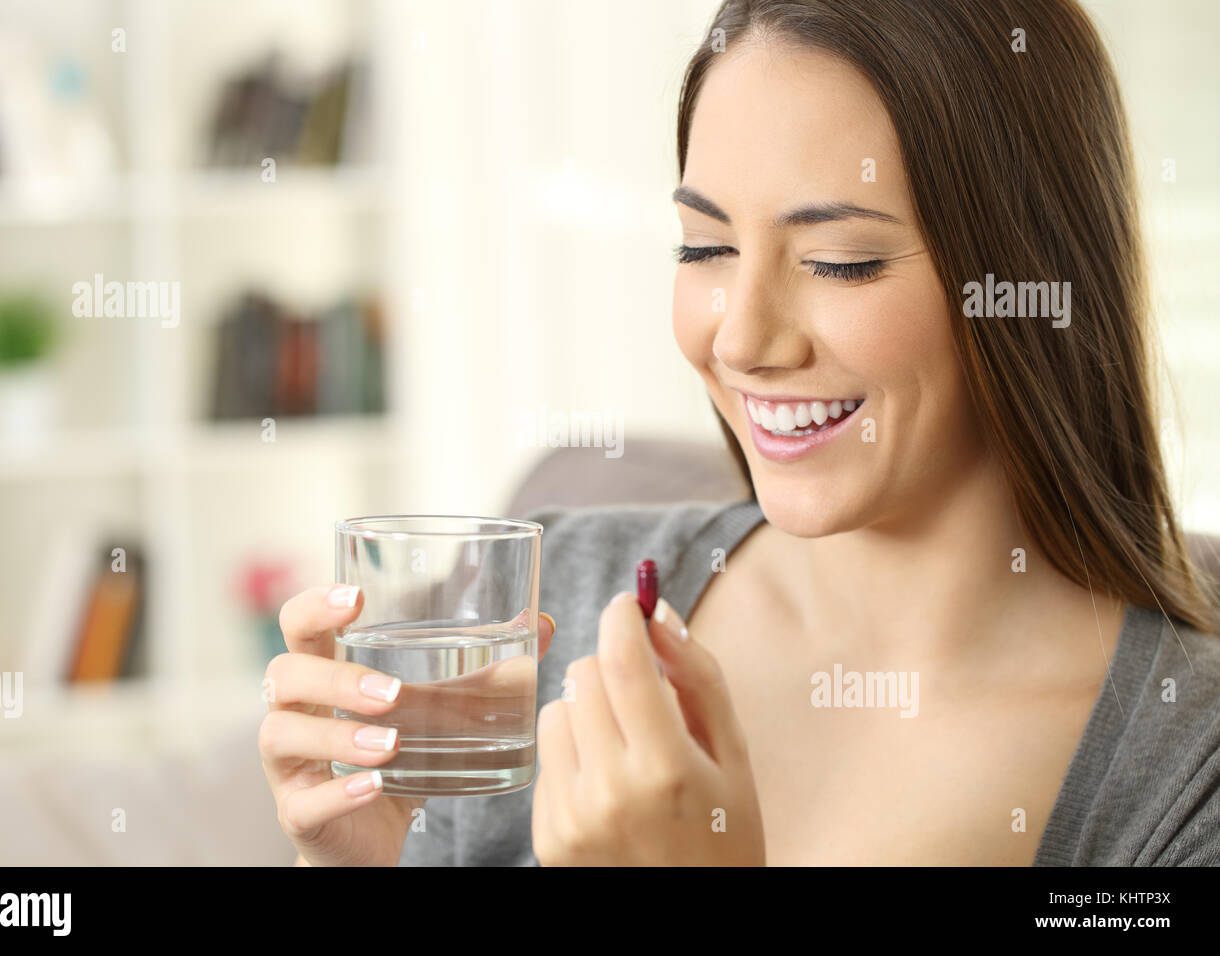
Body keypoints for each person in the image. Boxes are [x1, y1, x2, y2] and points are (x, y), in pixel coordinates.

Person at [259, 0, 1220, 866]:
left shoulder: (1181, 773)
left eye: (839, 261)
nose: (742, 338)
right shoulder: (564, 604)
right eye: (706, 247)